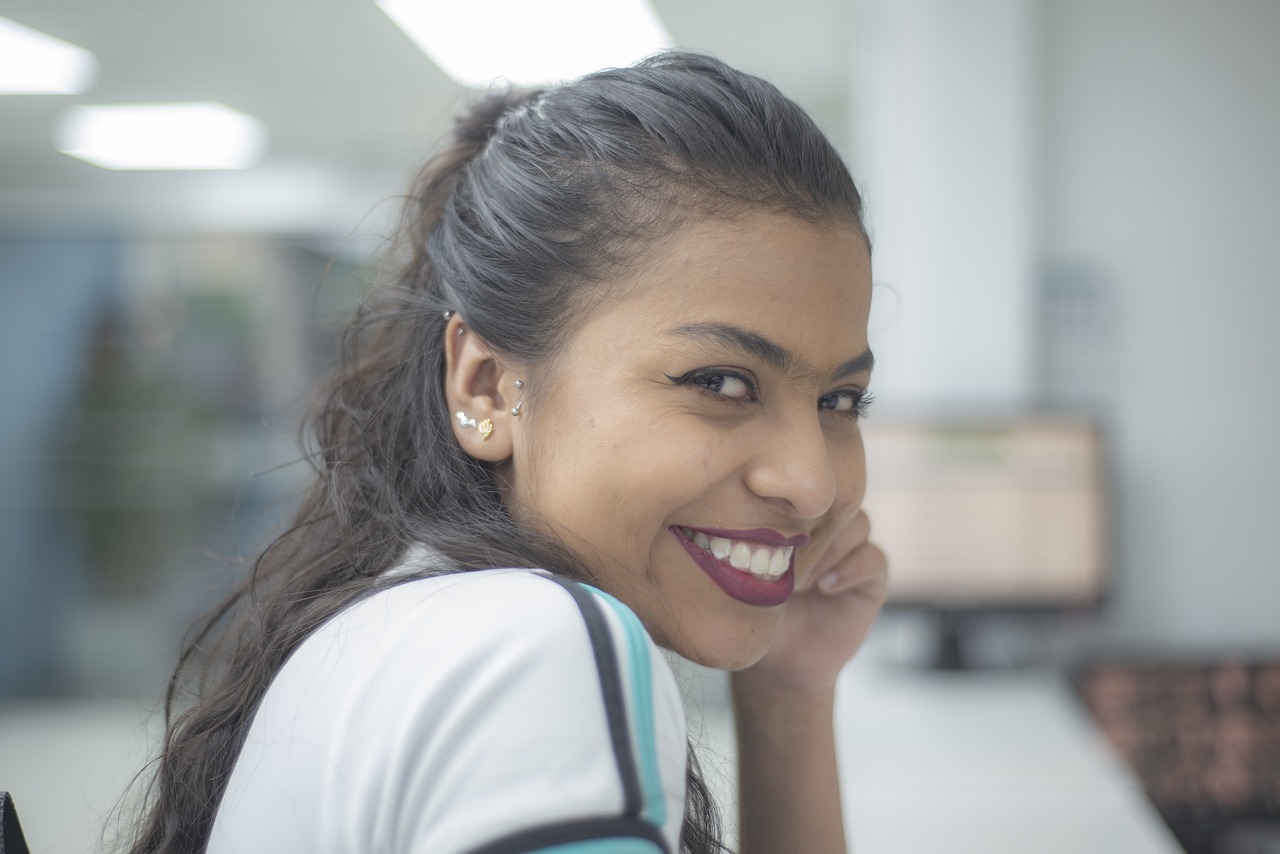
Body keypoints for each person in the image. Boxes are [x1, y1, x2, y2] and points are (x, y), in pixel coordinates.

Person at [123, 51, 888, 854]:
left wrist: (786, 701)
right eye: (722, 383)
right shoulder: (538, 649)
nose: (812, 482)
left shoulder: (406, 619)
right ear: (486, 386)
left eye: (840, 401)